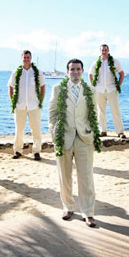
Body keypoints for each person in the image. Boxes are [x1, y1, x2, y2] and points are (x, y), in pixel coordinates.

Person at [49, 58, 101, 228]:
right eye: (72, 69)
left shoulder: (90, 90)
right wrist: (55, 134)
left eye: (78, 69)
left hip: (84, 138)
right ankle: (68, 207)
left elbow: (94, 113)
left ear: (83, 71)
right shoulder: (58, 89)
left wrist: (93, 134)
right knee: (64, 176)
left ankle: (88, 212)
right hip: (64, 137)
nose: (75, 72)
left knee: (86, 176)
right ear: (67, 71)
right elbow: (53, 113)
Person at [8, 50, 46, 161]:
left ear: (31, 58)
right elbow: (10, 87)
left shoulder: (37, 72)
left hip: (34, 106)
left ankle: (36, 151)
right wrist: (13, 102)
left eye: (28, 57)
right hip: (20, 106)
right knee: (19, 129)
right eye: (24, 57)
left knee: (36, 129)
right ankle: (18, 150)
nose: (26, 59)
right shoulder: (16, 72)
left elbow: (42, 87)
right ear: (21, 58)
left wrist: (40, 102)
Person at [89, 44, 125, 138]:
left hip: (112, 89)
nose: (104, 52)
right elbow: (90, 74)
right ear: (100, 51)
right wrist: (94, 86)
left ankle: (120, 131)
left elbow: (121, 74)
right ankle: (103, 130)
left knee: (115, 110)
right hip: (99, 90)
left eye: (105, 50)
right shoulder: (96, 63)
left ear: (108, 51)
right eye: (102, 50)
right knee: (101, 111)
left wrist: (118, 86)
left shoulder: (115, 62)